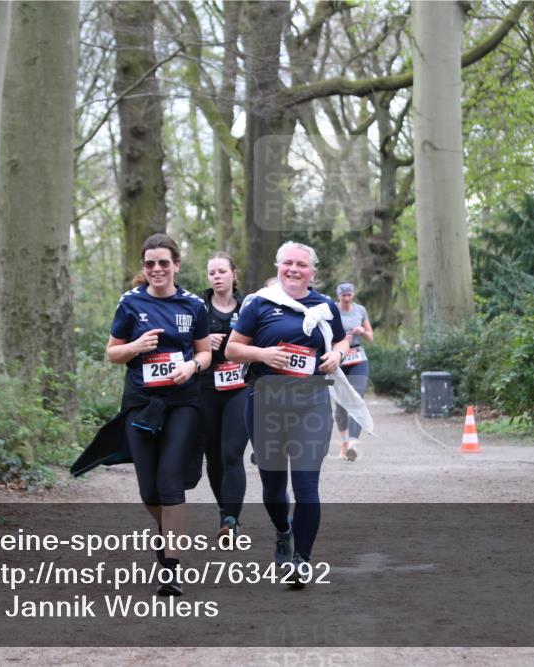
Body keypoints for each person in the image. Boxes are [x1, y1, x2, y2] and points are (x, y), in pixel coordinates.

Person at [226, 241, 371, 587]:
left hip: (311, 402)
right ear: (278, 267)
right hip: (265, 402)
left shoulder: (325, 305)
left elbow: (341, 341)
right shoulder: (259, 303)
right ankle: (283, 531)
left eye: (301, 264)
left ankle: (302, 559)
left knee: (306, 485)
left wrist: (337, 355)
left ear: (312, 272)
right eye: (288, 263)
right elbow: (232, 348)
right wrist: (262, 355)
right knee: (273, 490)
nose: (294, 269)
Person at [103, 233, 211, 596]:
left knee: (169, 481)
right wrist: (135, 346)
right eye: (150, 263)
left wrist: (192, 367)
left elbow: (205, 352)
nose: (157, 269)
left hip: (183, 402)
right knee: (149, 490)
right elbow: (113, 353)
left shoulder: (193, 305)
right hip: (141, 403)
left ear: (176, 265)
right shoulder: (130, 303)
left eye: (164, 262)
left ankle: (171, 568)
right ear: (144, 267)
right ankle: (169, 530)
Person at [198, 251, 249, 542]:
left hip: (239, 387)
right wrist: (204, 341)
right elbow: (179, 342)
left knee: (232, 453)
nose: (216, 277)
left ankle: (231, 520)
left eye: (221, 271)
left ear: (233, 274)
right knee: (214, 457)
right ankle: (223, 509)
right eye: (212, 273)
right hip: (206, 387)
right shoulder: (197, 307)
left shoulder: (249, 306)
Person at [333, 282, 374, 461]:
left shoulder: (360, 310)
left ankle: (353, 444)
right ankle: (345, 442)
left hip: (358, 358)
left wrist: (362, 331)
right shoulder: (332, 310)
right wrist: (342, 338)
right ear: (338, 295)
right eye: (344, 295)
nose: (347, 298)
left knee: (357, 398)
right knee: (341, 404)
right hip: (338, 358)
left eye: (349, 295)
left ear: (353, 295)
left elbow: (370, 336)